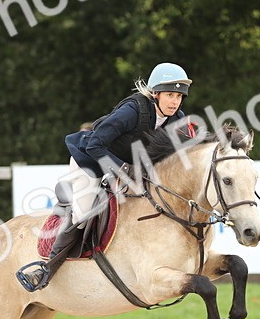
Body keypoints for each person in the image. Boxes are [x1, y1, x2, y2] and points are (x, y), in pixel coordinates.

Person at [17, 62, 192, 292]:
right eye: (170, 95)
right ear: (155, 93)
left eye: (179, 96)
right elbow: (94, 144)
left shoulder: (176, 118)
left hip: (124, 168)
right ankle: (46, 269)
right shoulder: (133, 111)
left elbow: (187, 150)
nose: (174, 101)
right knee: (84, 211)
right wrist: (121, 169)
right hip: (89, 161)